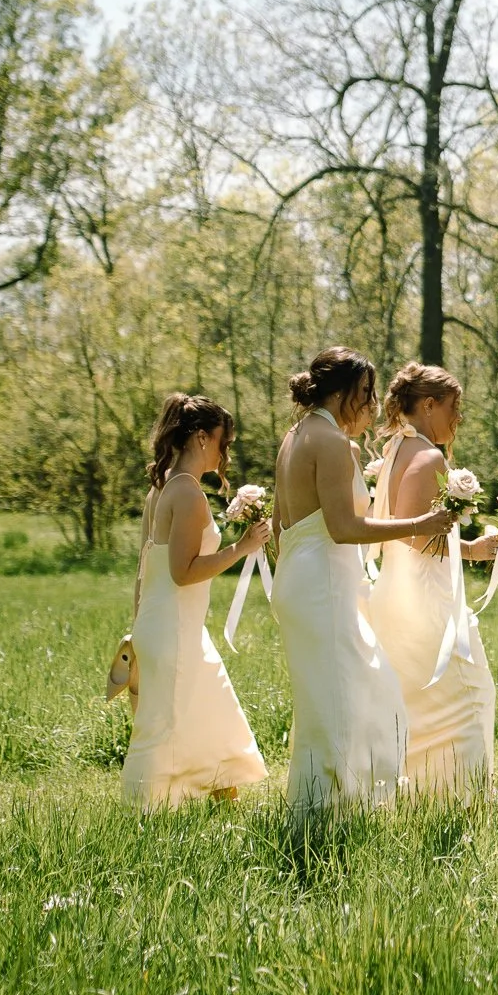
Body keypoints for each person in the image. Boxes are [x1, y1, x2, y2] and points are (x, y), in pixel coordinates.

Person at [269, 348, 448, 817]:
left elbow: (276, 528)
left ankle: (322, 807)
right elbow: (344, 528)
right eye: (366, 394)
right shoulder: (329, 442)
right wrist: (421, 524)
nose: (371, 405)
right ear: (344, 392)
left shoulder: (293, 436)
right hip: (323, 586)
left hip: (303, 580)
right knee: (348, 696)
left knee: (336, 696)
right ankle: (328, 815)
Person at [121, 394, 270, 809]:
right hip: (173, 630)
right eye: (225, 441)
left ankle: (223, 804)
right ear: (202, 438)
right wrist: (241, 548)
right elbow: (182, 572)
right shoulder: (186, 494)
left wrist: (138, 626)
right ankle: (144, 811)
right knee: (165, 726)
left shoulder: (163, 487)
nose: (227, 452)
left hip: (168, 624)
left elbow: (142, 569)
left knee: (211, 711)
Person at [370, 362, 498, 800]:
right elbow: (415, 535)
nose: (459, 417)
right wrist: (470, 547)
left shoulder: (396, 450)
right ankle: (459, 801)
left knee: (423, 700)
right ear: (428, 404)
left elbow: (412, 530)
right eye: (454, 406)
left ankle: (420, 795)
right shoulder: (426, 455)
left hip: (399, 589)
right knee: (467, 696)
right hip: (425, 596)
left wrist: (465, 545)